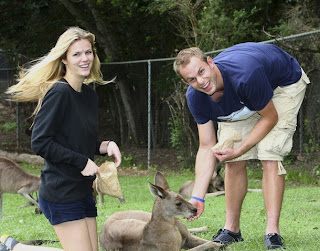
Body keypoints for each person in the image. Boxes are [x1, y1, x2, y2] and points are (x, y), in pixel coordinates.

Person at [173, 42, 310, 249]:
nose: (201, 81)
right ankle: (231, 230)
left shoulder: (245, 75)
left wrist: (240, 148)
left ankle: (272, 233)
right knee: (231, 159)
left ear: (210, 62)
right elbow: (206, 146)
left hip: (283, 84)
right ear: (186, 82)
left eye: (201, 71)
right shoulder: (196, 98)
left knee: (269, 152)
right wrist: (197, 197)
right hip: (246, 96)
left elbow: (270, 117)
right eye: (192, 79)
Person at [2, 26, 121, 251]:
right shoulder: (59, 92)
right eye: (76, 54)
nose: (84, 58)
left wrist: (106, 146)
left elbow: (79, 143)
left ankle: (13, 248)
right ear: (64, 59)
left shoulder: (88, 95)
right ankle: (15, 248)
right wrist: (82, 162)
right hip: (61, 191)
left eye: (88, 52)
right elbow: (40, 141)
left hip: (83, 190)